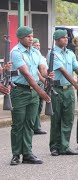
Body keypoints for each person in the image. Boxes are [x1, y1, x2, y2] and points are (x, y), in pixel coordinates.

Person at [10, 26, 52, 165]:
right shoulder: (16, 52)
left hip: (33, 91)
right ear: (21, 38)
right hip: (20, 91)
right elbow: (26, 73)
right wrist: (40, 91)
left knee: (29, 123)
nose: (31, 38)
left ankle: (27, 153)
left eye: (32, 36)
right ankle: (16, 154)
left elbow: (40, 70)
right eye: (28, 36)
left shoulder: (35, 52)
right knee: (18, 124)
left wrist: (47, 77)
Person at [49, 29, 78, 156]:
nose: (67, 39)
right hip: (57, 89)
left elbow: (75, 69)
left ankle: (65, 146)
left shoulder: (70, 53)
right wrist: (76, 84)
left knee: (68, 118)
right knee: (56, 119)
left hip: (68, 90)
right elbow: (63, 71)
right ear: (57, 40)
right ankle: (55, 146)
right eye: (64, 37)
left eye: (67, 37)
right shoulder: (53, 54)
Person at [32, 38, 47, 135]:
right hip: (35, 83)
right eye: (35, 45)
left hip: (41, 84)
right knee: (35, 106)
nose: (37, 47)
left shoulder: (41, 57)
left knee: (40, 106)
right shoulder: (32, 56)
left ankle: (36, 126)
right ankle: (34, 126)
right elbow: (36, 73)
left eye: (38, 45)